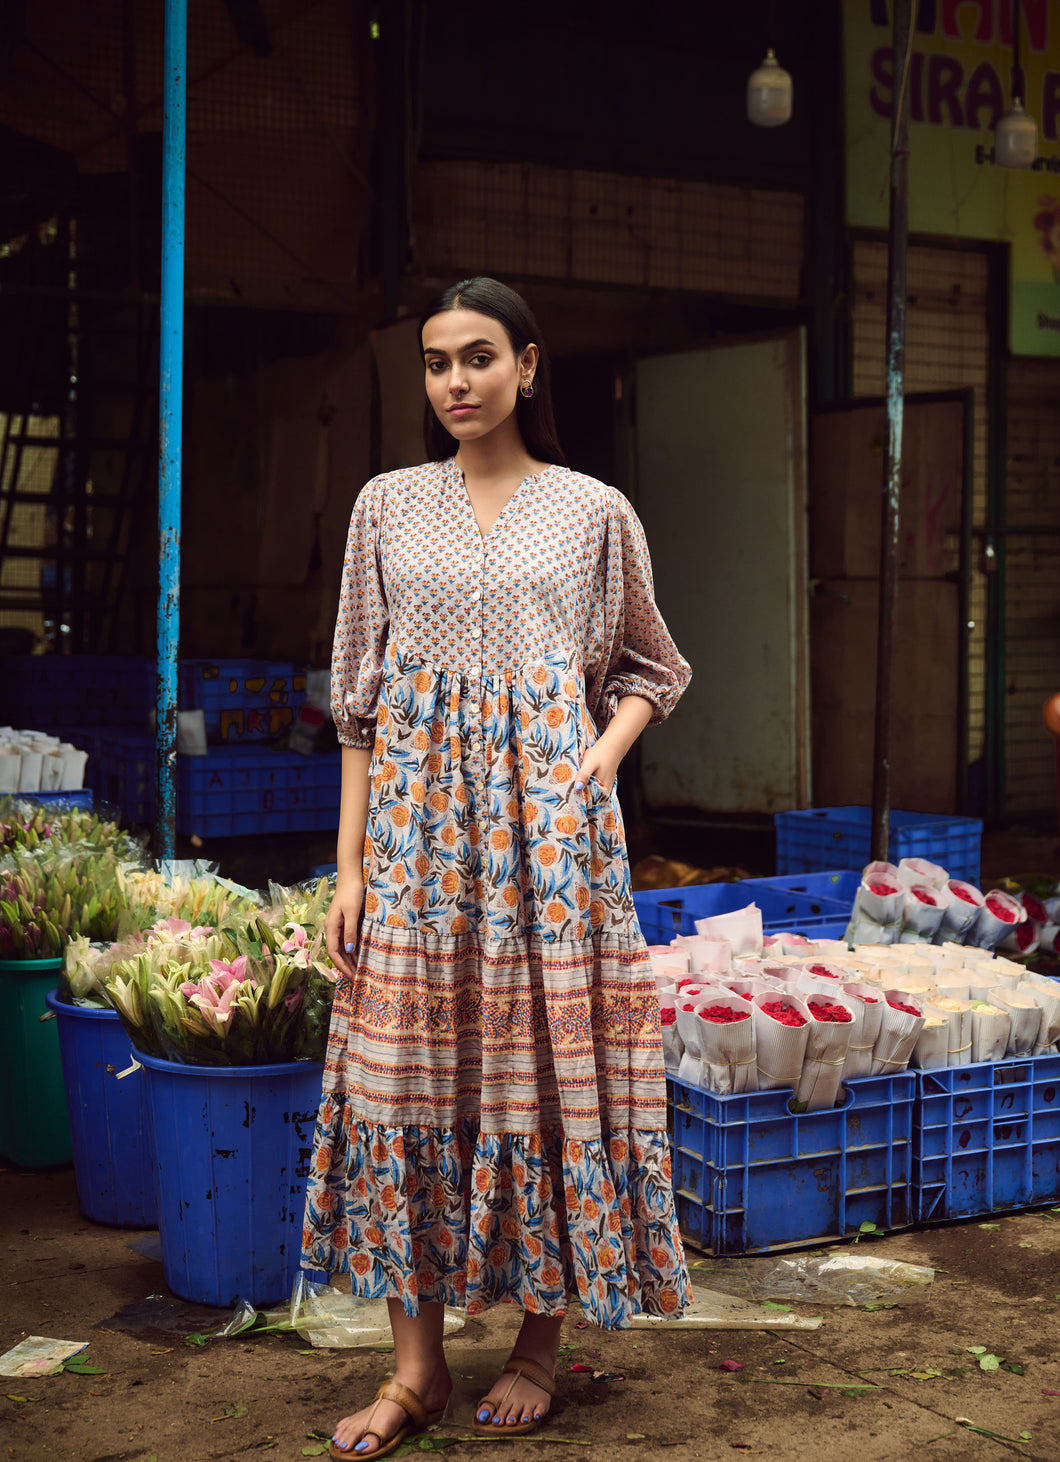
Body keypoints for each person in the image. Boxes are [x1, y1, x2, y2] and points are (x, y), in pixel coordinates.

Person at [303, 276, 692, 1459]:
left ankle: (536, 1346)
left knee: (538, 1071)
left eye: (478, 357)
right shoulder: (385, 506)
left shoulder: (592, 511)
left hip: (550, 851)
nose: (455, 382)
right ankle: (413, 1370)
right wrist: (351, 865)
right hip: (417, 843)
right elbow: (359, 705)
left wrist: (591, 763)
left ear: (528, 366)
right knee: (401, 1077)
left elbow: (652, 668)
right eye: (435, 363)